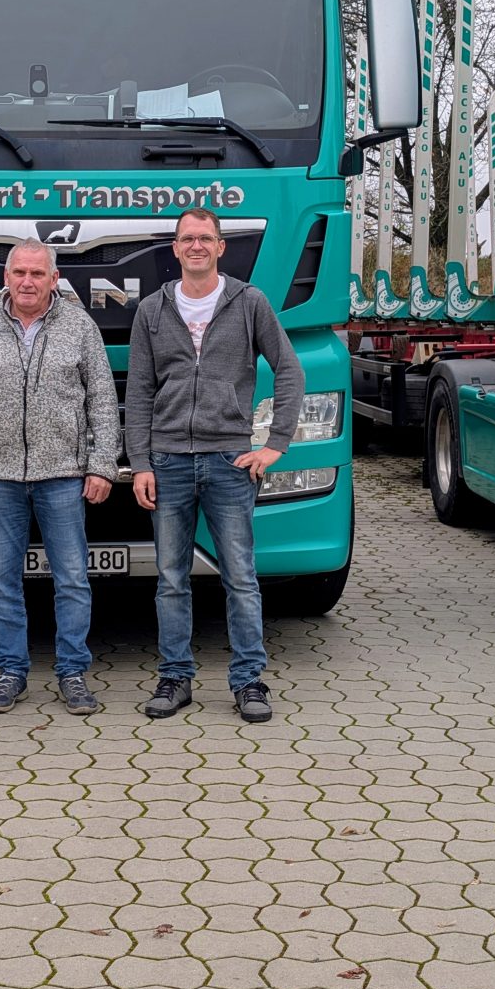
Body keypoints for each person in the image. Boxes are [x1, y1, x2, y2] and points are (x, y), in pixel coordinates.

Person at [126, 206, 305, 723]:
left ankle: (249, 681)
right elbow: (139, 392)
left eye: (205, 238)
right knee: (170, 578)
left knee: (241, 577)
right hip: (168, 461)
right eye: (188, 238)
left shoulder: (249, 302)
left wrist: (275, 444)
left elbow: (289, 370)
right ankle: (174, 678)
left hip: (231, 460)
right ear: (175, 248)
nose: (197, 246)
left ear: (221, 247)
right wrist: (140, 463)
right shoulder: (152, 310)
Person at [0, 241, 119, 717]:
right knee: (3, 582)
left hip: (63, 475)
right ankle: (11, 672)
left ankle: (73, 673)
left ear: (54, 278)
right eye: (19, 272)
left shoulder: (80, 326)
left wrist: (102, 465)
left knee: (73, 580)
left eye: (37, 273)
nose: (27, 281)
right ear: (5, 277)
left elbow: (103, 400)